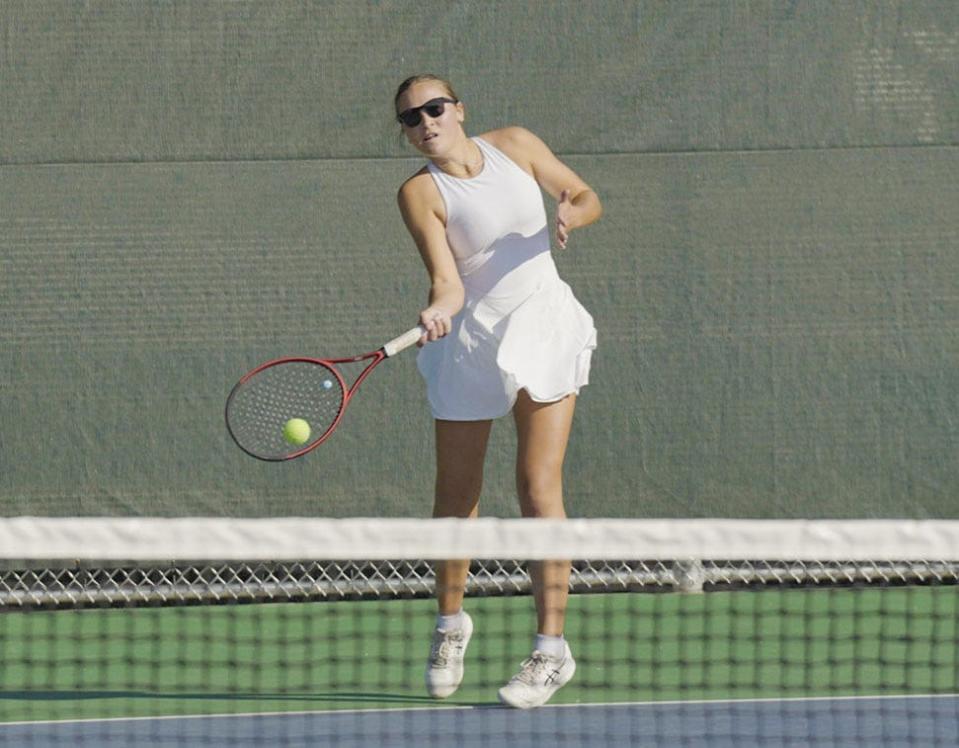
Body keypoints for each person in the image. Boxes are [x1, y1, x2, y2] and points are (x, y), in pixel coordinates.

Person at [394, 74, 602, 709]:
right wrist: (440, 309)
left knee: (539, 489)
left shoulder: (515, 143)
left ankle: (550, 649)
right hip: (472, 341)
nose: (425, 121)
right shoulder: (420, 192)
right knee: (456, 498)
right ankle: (451, 624)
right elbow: (447, 280)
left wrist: (570, 211)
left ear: (459, 110)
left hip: (544, 323)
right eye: (410, 118)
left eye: (434, 108)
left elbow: (585, 194)